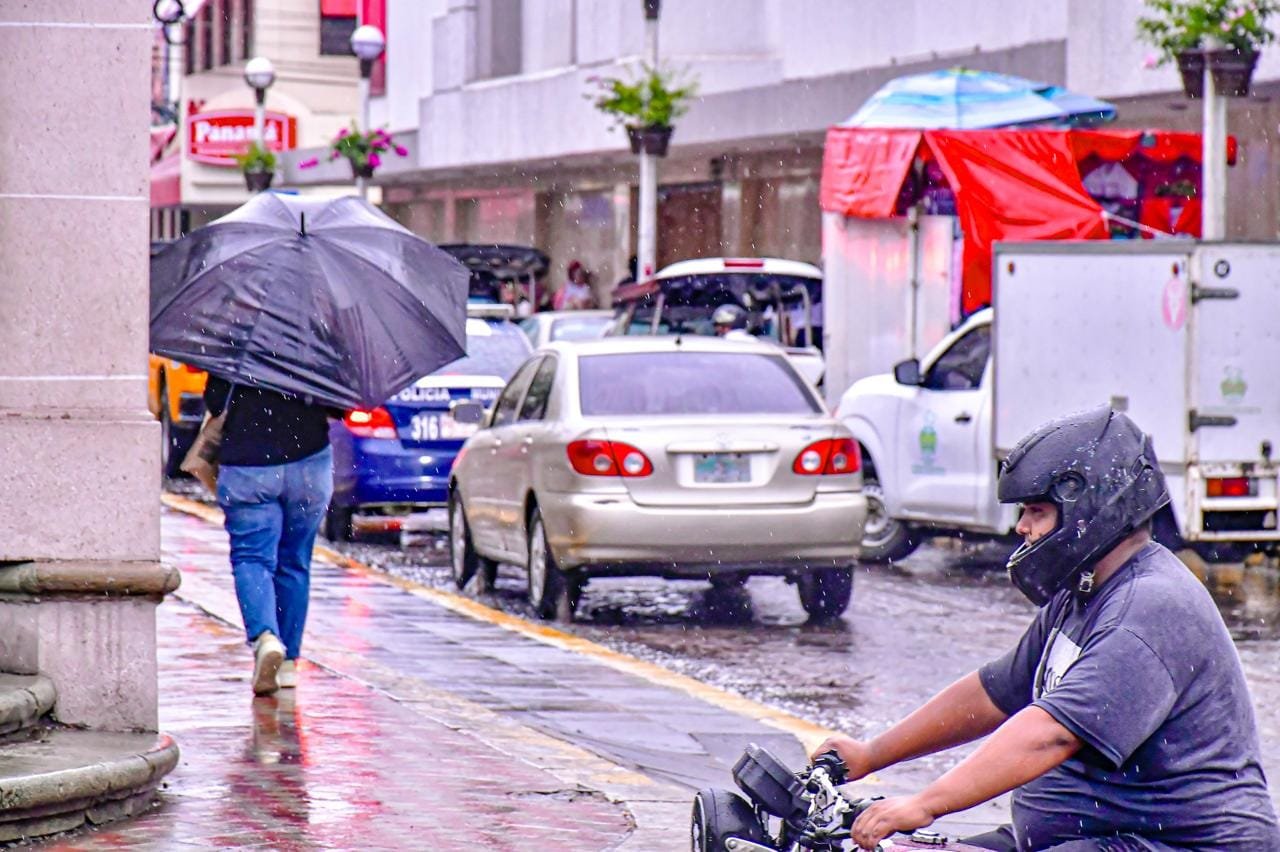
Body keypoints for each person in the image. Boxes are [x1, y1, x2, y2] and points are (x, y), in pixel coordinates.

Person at [813, 407, 1280, 851]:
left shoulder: (1149, 606)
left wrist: (925, 803)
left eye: (1036, 511)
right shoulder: (1086, 588)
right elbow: (995, 692)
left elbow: (1051, 733)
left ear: (1090, 508)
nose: (1021, 527)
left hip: (1177, 844)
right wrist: (872, 755)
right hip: (1098, 832)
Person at [203, 375, 337, 696]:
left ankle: (265, 638)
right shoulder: (318, 336)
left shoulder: (241, 332)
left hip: (249, 461)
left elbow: (216, 401)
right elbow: (338, 403)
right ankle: (288, 663)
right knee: (295, 559)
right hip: (309, 460)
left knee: (252, 557)